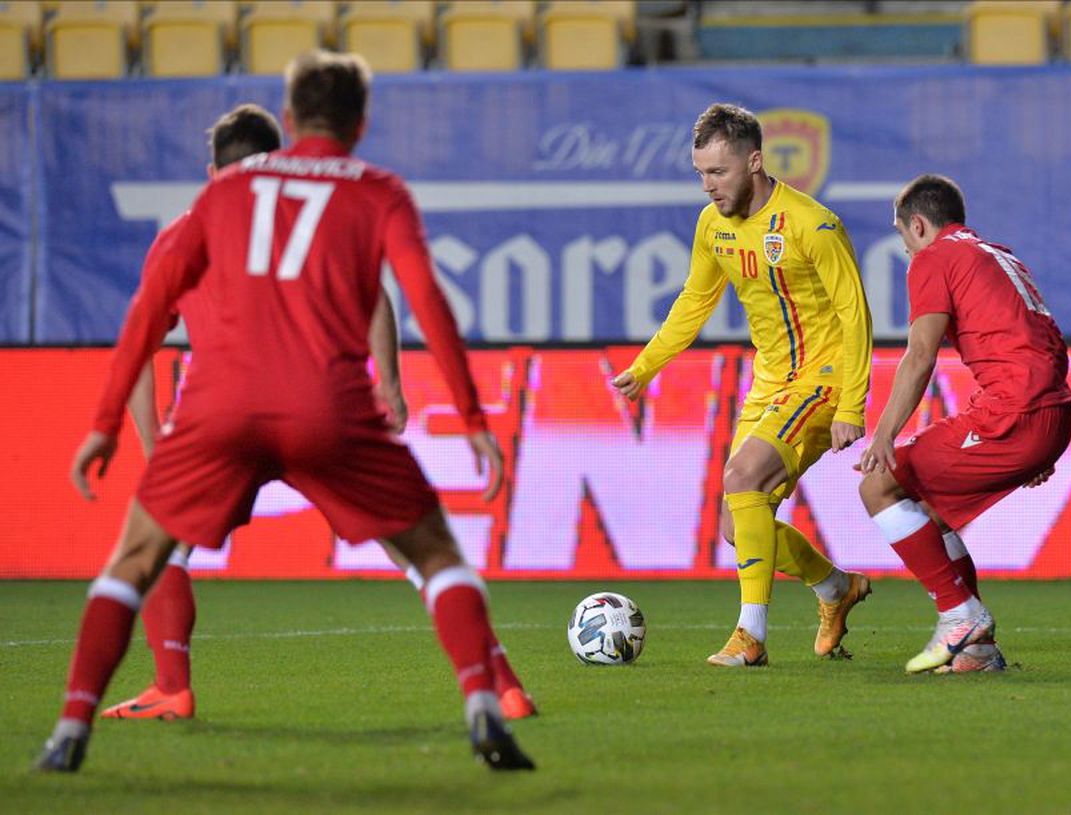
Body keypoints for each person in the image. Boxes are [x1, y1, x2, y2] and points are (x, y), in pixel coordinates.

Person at [36, 51, 534, 772]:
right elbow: (413, 294)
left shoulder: (210, 206)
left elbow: (144, 320)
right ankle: (494, 697)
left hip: (221, 409)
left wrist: (108, 424)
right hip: (325, 407)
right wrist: (460, 411)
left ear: (293, 121)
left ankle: (76, 726)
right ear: (360, 124)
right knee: (428, 553)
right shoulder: (372, 192)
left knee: (139, 554)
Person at [611, 103, 874, 667]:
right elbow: (694, 301)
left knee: (741, 475)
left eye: (718, 173)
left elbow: (856, 314)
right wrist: (647, 365)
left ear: (754, 162)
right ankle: (835, 587)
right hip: (770, 384)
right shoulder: (712, 226)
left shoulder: (812, 224)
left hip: (822, 380)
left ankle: (749, 637)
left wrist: (853, 403)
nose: (708, 187)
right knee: (738, 526)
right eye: (701, 174)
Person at [857, 174, 1071, 674]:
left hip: (1018, 411)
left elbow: (919, 357)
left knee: (879, 486)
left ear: (918, 224)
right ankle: (976, 650)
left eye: (902, 236)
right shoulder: (998, 254)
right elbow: (1037, 342)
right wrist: (1044, 438)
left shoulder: (935, 257)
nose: (906, 250)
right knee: (925, 512)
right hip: (1051, 409)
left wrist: (884, 433)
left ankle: (960, 616)